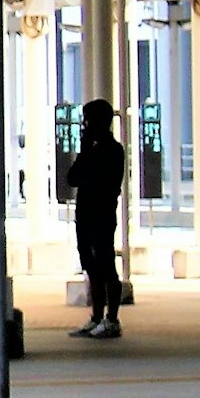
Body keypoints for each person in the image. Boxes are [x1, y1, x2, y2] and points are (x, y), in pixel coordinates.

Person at [69, 97, 131, 338]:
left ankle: (112, 318)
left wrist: (87, 156)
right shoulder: (91, 150)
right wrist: (84, 151)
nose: (85, 125)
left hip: (102, 214)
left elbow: (98, 180)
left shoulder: (113, 150)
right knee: (90, 265)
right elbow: (72, 178)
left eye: (89, 119)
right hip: (85, 213)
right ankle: (95, 317)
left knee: (105, 265)